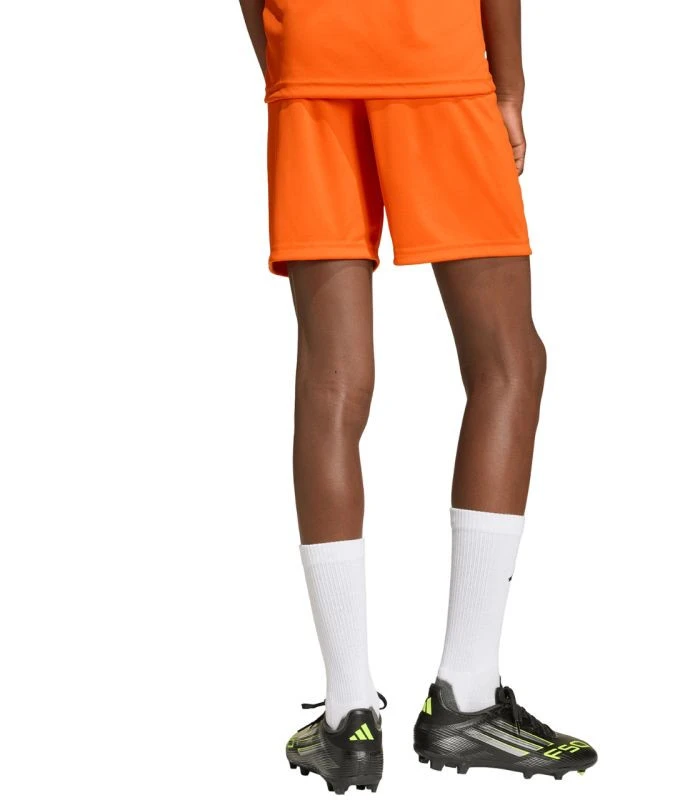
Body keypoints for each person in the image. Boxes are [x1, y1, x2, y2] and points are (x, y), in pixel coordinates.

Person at [239, 0, 596, 793]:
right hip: (432, 50)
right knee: (508, 364)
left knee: (331, 380)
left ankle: (347, 714)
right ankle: (467, 698)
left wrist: (288, 74)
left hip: (310, 62)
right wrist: (509, 88)